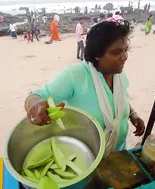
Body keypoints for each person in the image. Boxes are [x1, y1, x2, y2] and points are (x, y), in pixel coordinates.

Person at [24, 20, 145, 156]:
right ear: (97, 55)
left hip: (119, 152)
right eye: (116, 52)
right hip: (87, 155)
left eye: (125, 50)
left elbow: (120, 98)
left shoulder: (119, 75)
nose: (124, 57)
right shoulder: (74, 75)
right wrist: (35, 104)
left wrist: (132, 115)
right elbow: (35, 96)